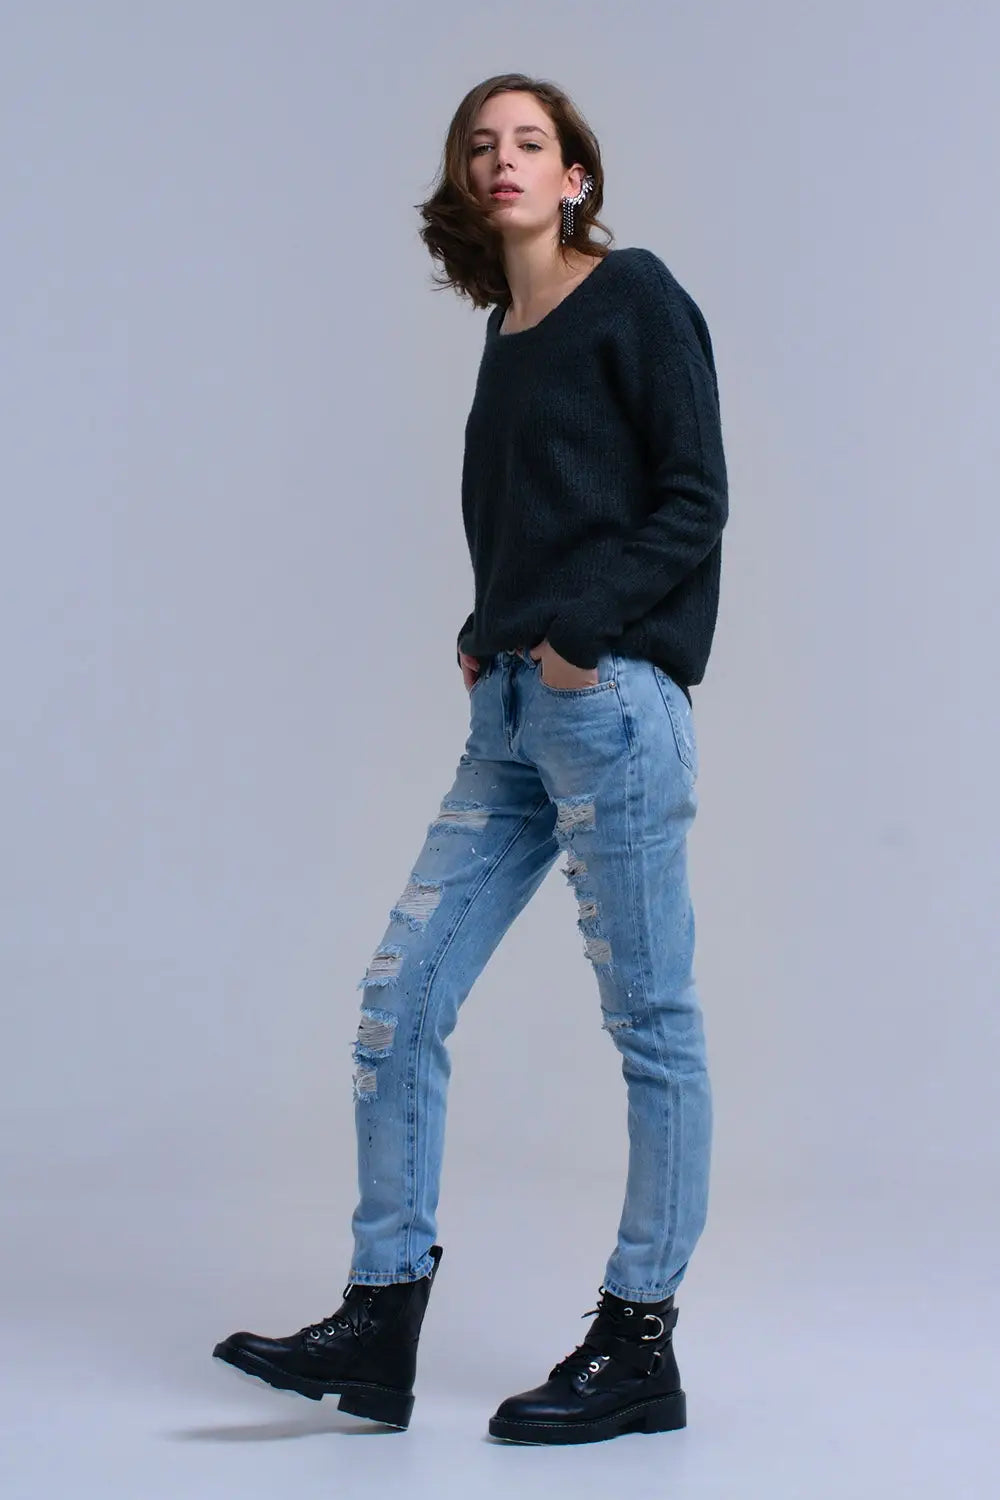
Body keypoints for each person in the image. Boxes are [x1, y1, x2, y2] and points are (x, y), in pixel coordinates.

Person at [214, 71, 729, 1446]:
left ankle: (640, 1342)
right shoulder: (507, 331)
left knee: (652, 1025)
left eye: (532, 142)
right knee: (401, 998)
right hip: (509, 714)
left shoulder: (636, 297)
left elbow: (693, 499)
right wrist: (487, 627)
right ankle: (381, 1317)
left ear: (576, 177)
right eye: (482, 145)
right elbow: (536, 516)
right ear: (464, 181)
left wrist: (576, 636)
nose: (505, 160)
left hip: (609, 706)